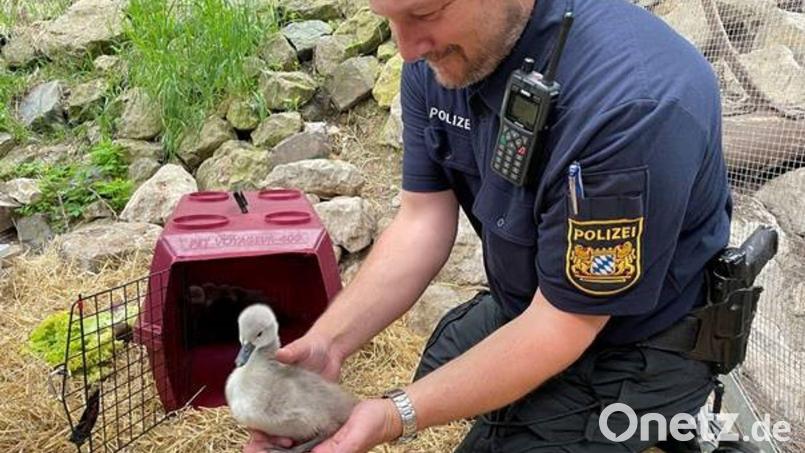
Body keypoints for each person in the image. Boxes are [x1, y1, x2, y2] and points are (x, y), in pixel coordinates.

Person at [245, 0, 733, 451]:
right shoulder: (440, 60)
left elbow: (563, 325)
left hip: (640, 343)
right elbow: (422, 221)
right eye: (389, 19)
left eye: (425, 13)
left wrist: (395, 415)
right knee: (439, 361)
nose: (407, 48)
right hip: (532, 302)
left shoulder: (629, 107)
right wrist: (328, 343)